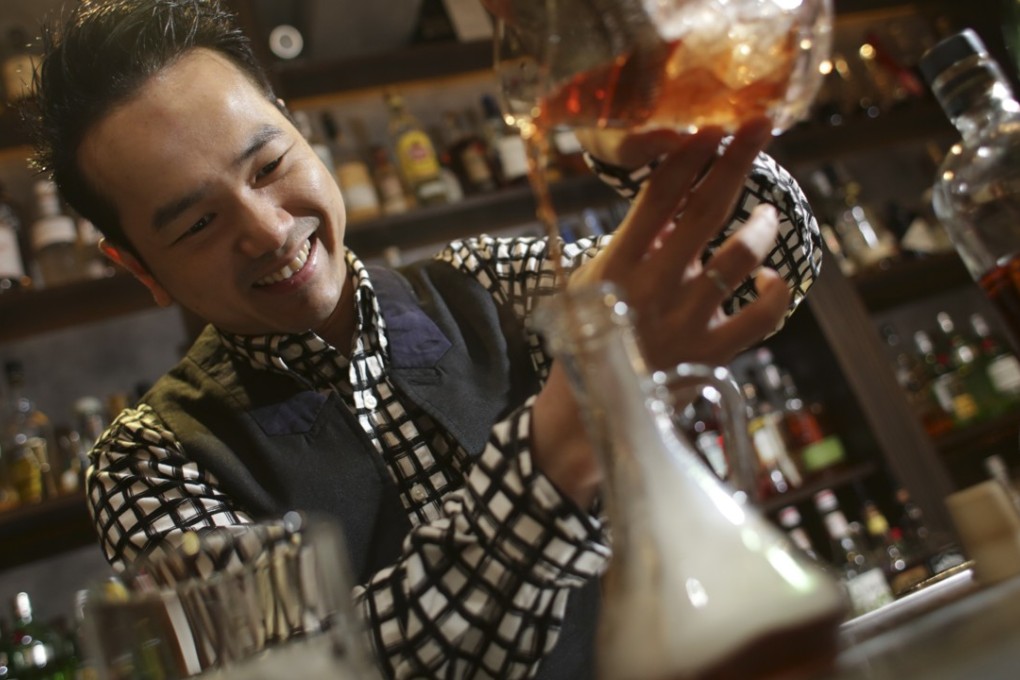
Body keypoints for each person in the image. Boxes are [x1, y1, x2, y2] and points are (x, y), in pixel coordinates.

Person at [29, 0, 822, 677]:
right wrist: (557, 437)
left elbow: (766, 261)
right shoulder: (150, 460)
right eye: (199, 222)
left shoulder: (487, 286)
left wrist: (630, 107)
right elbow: (303, 667)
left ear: (303, 135)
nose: (269, 232)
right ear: (138, 267)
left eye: (269, 165)